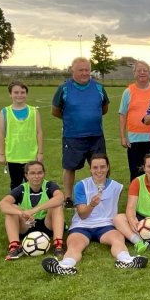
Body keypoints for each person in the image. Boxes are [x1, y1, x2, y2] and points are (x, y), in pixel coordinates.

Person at [42, 154, 148, 275]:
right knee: (75, 245)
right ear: (90, 169)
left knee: (118, 239)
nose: (99, 171)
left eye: (102, 167)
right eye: (95, 167)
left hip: (106, 225)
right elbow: (82, 215)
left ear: (108, 167)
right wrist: (91, 205)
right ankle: (65, 265)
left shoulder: (116, 186)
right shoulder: (81, 186)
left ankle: (126, 260)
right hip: (82, 225)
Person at [51, 57, 109, 207]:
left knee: (100, 167)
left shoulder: (98, 88)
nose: (84, 73)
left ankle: (101, 194)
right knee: (70, 167)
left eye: (87, 70)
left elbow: (104, 108)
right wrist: (73, 120)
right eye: (80, 70)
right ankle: (68, 198)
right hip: (73, 137)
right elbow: (55, 111)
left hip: (96, 135)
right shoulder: (64, 88)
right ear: (73, 70)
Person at [0, 160, 64, 260]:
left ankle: (58, 245)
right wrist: (21, 213)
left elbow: (60, 198)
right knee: (12, 209)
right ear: (26, 175)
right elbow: (2, 204)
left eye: (39, 173)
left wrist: (33, 210)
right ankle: (14, 247)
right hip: (27, 224)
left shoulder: (49, 185)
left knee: (56, 205)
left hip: (47, 224)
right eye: (32, 173)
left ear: (44, 174)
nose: (36, 176)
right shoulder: (22, 188)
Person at [118, 60, 150, 182]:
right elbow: (123, 114)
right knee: (136, 171)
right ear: (134, 73)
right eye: (139, 70)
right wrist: (123, 136)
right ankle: (136, 199)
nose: (142, 73)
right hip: (135, 139)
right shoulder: (128, 91)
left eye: (145, 70)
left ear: (149, 73)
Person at [0, 80, 44, 190]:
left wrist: (40, 152)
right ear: (10, 94)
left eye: (22, 92)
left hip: (31, 155)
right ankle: (16, 206)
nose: (19, 95)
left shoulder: (34, 111)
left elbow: (39, 132)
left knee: (34, 183)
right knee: (16, 184)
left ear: (26, 94)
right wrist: (1, 154)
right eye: (16, 92)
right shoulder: (5, 112)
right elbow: (1, 133)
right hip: (13, 156)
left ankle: (34, 205)